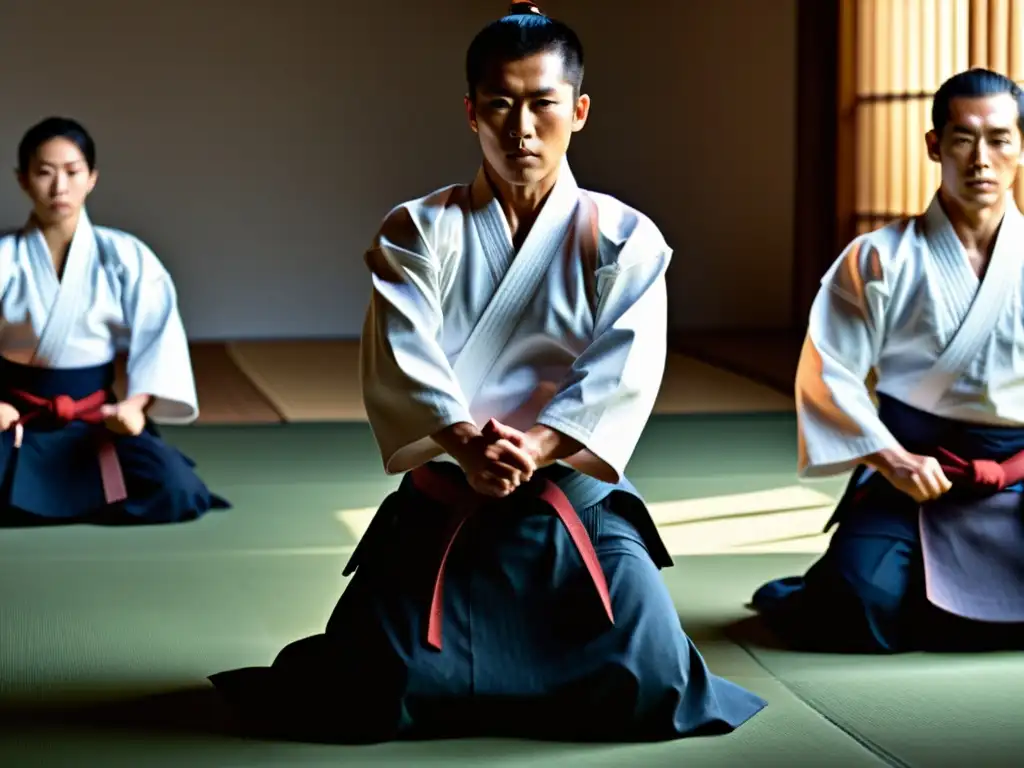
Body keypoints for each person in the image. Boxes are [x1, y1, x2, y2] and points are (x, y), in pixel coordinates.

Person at [210, 2, 766, 743]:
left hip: (572, 494)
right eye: (500, 105)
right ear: (471, 112)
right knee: (372, 689)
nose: (522, 128)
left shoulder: (626, 237)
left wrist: (538, 446)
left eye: (543, 104)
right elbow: (403, 352)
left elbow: (624, 366)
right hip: (452, 491)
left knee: (655, 683)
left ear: (581, 109)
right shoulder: (417, 229)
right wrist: (467, 444)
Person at [750, 68, 1024, 653]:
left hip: (1017, 473)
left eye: (1000, 138)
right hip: (911, 470)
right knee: (857, 605)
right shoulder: (877, 258)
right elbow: (830, 375)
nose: (981, 158)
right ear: (934, 145)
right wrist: (894, 460)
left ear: (1021, 146)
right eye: (962, 138)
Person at [0, 116, 229, 525]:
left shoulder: (125, 255)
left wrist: (136, 406)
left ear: (92, 178)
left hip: (95, 421)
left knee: (177, 489)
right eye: (44, 173)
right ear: (23, 179)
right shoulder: (4, 257)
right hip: (15, 418)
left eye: (72, 172)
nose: (59, 188)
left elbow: (160, 338)